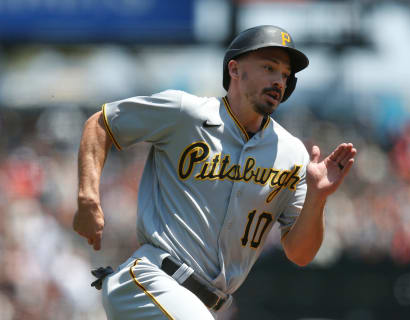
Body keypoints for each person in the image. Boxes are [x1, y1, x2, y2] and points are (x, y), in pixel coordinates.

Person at [73, 25, 356, 320]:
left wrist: (318, 197)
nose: (278, 81)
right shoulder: (186, 113)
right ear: (234, 69)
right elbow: (102, 124)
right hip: (151, 281)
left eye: (285, 75)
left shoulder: (293, 154)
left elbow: (301, 254)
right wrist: (88, 198)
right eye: (269, 68)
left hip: (204, 305)